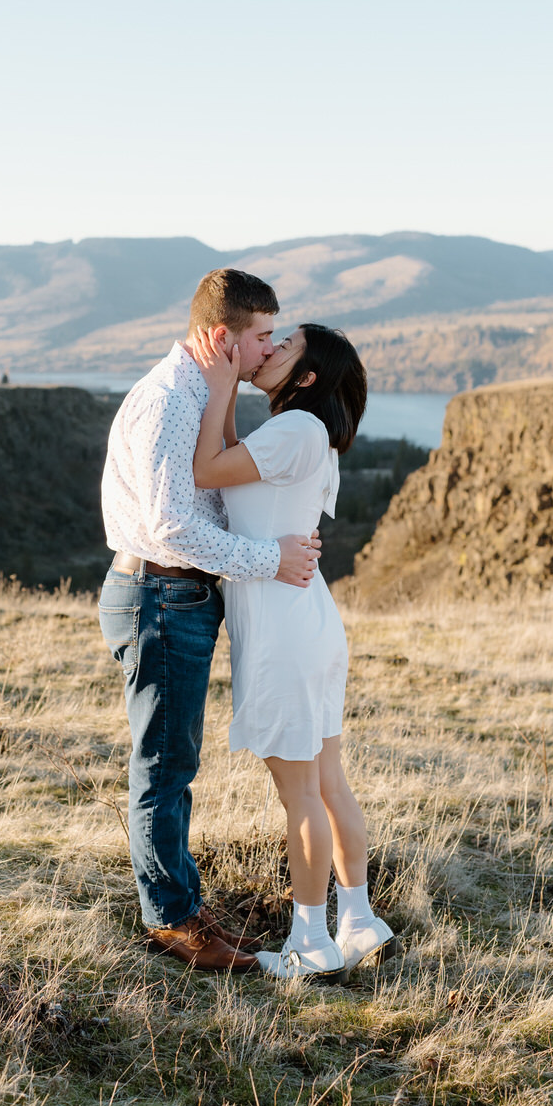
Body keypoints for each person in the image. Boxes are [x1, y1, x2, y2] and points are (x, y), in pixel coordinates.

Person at [99, 269, 322, 974]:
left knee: (174, 763)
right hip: (161, 594)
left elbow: (212, 491)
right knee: (164, 768)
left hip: (180, 597)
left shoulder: (201, 391)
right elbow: (170, 528)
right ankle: (171, 922)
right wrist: (270, 558)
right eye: (261, 337)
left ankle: (182, 907)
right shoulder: (171, 400)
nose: (269, 349)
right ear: (224, 337)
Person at [192, 322, 396, 981]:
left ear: (306, 378)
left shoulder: (294, 430)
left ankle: (311, 943)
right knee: (328, 782)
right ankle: (358, 921)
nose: (271, 348)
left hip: (284, 633)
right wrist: (227, 398)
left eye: (286, 347)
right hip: (307, 624)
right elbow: (233, 471)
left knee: (301, 794)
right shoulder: (304, 434)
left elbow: (204, 471)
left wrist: (221, 383)